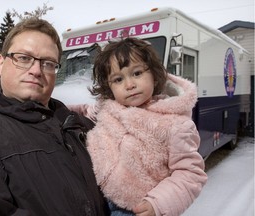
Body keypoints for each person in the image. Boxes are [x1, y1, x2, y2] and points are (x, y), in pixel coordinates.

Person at [0, 18, 108, 216]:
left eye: (48, 63)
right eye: (24, 58)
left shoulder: (81, 126)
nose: (36, 70)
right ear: (0, 63)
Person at [69, 37, 208, 216]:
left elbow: (190, 173)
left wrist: (158, 203)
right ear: (109, 87)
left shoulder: (175, 124)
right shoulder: (108, 108)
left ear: (155, 75)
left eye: (137, 73)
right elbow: (84, 112)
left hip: (135, 209)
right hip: (96, 198)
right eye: (118, 79)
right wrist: (54, 107)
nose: (130, 85)